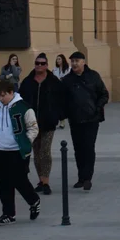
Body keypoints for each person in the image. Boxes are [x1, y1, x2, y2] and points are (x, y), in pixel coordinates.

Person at [0, 80, 41, 225]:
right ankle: (8, 214)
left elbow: (33, 128)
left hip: (17, 150)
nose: (1, 99)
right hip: (2, 149)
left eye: (3, 95)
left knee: (19, 180)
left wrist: (25, 142)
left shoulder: (24, 108)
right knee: (3, 182)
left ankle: (34, 200)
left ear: (11, 93)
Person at [62, 50, 109, 190]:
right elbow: (62, 98)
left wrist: (97, 107)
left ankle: (87, 177)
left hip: (91, 119)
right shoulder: (67, 80)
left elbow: (104, 94)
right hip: (75, 119)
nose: (74, 63)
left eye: (77, 61)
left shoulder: (93, 76)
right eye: (72, 61)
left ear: (84, 62)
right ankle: (81, 177)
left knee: (88, 147)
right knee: (78, 149)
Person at [19, 53, 65, 195]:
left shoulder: (54, 81)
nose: (39, 66)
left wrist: (58, 115)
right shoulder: (27, 82)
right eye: (37, 63)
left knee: (45, 151)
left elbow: (61, 99)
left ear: (46, 65)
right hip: (32, 123)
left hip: (48, 123)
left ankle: (46, 181)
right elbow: (20, 100)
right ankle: (40, 180)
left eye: (42, 63)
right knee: (37, 153)